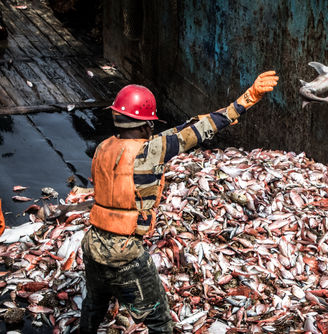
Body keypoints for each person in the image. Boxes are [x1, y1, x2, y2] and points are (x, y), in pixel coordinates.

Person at [80, 71, 279, 333]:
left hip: (93, 245)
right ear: (146, 125)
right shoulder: (151, 150)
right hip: (126, 253)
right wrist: (247, 99)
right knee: (159, 320)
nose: (153, 128)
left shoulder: (103, 147)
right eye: (151, 124)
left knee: (94, 305)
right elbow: (197, 130)